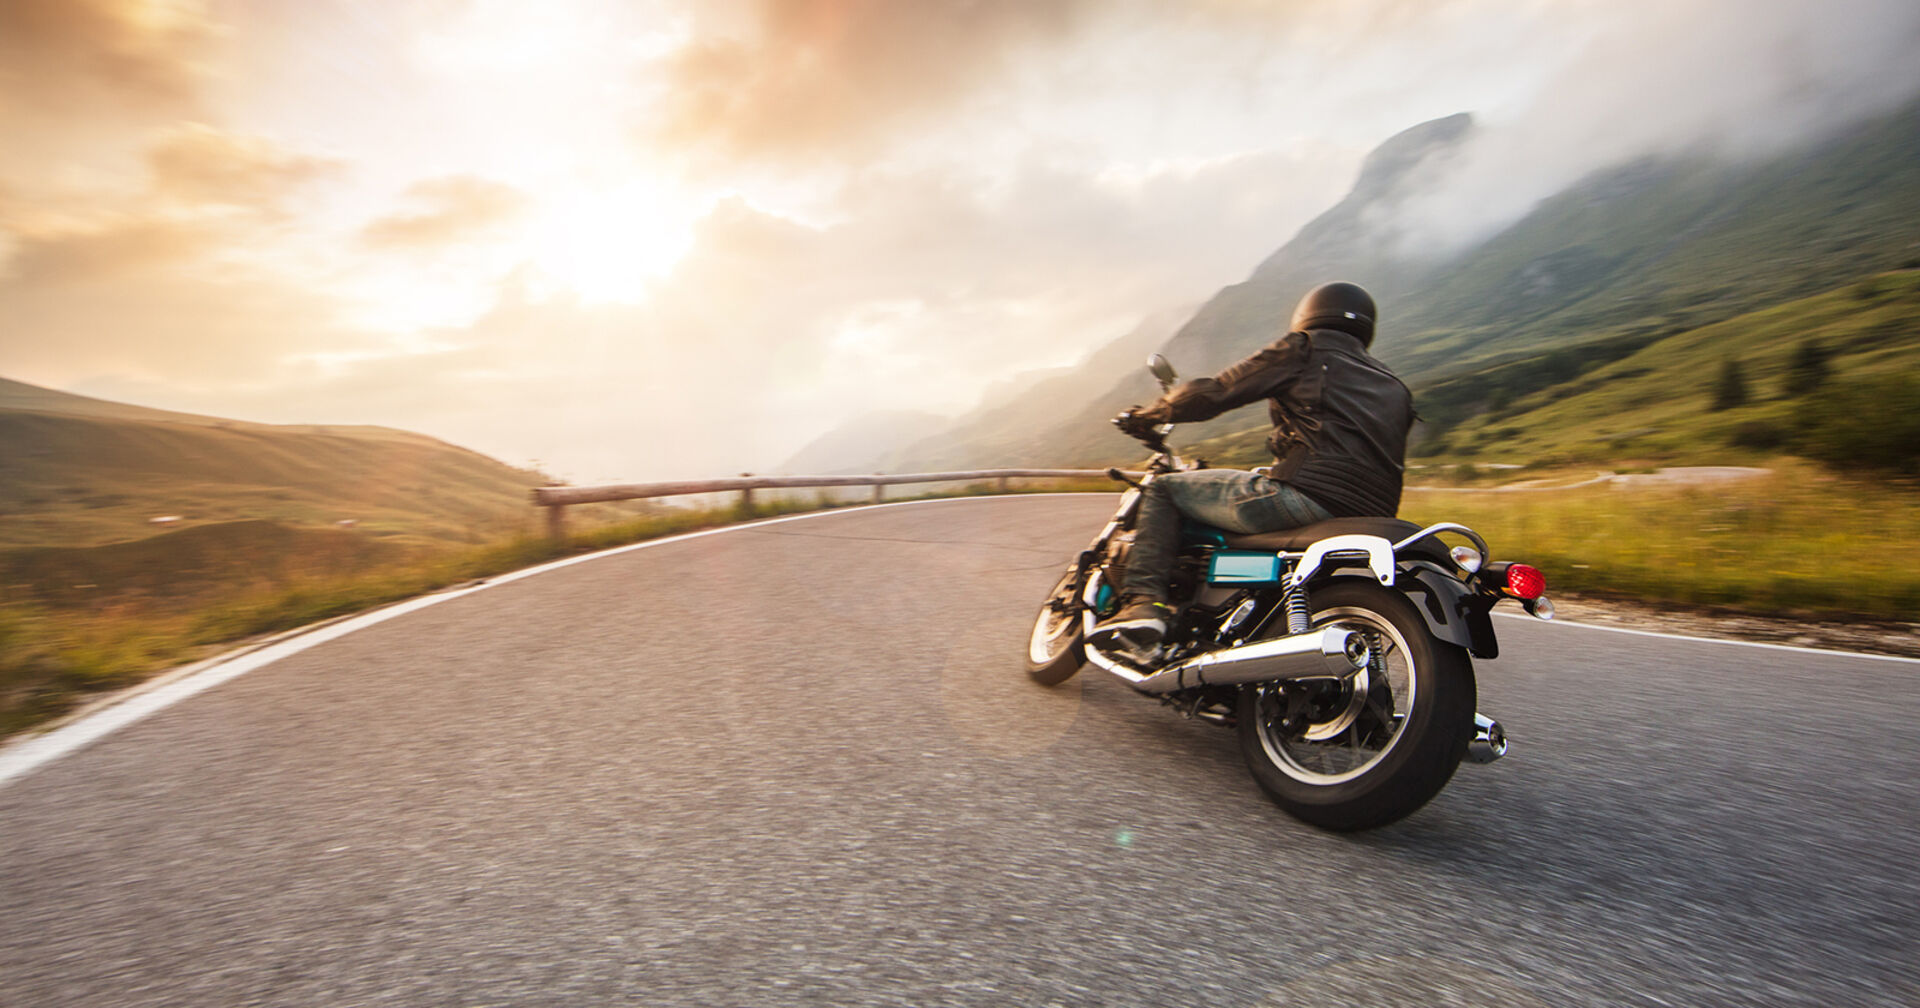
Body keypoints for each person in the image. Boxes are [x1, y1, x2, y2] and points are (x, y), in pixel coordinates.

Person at [1089, 281, 1414, 653]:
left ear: (1308, 315)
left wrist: (1152, 413)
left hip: (1306, 496)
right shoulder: (1394, 384)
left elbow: (1216, 392)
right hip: (1370, 515)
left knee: (1165, 489)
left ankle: (1144, 604)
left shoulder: (1305, 349)